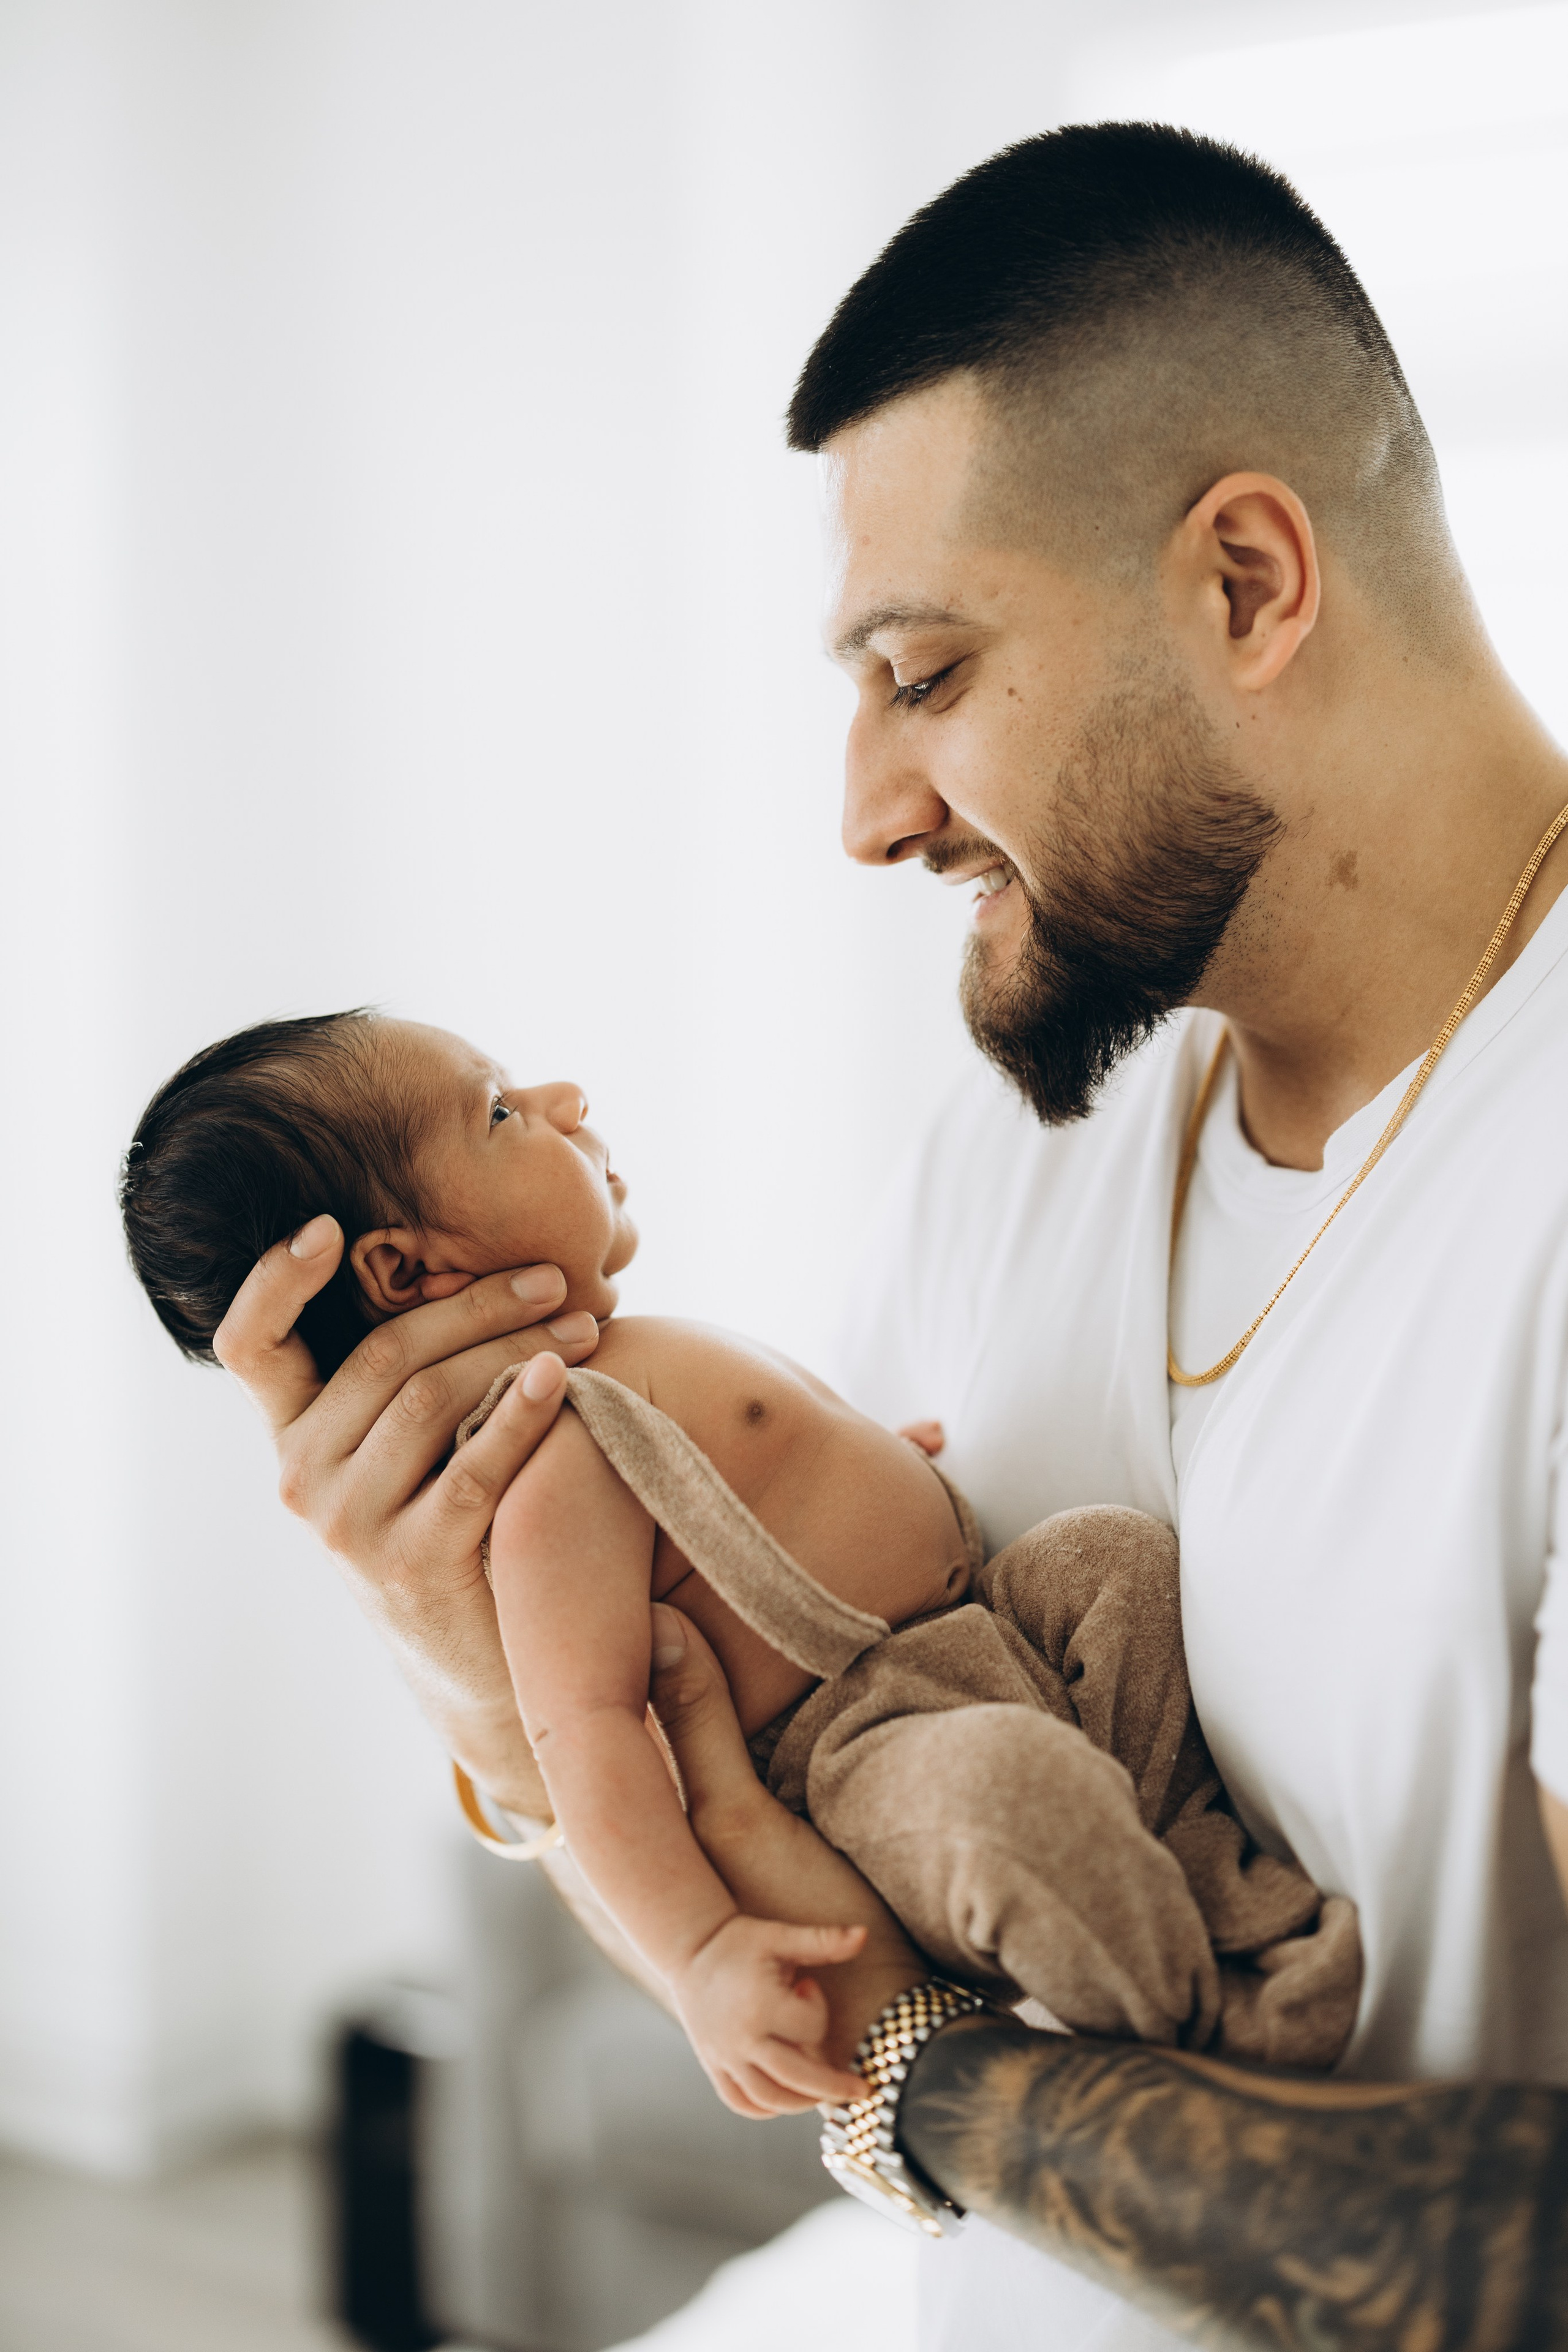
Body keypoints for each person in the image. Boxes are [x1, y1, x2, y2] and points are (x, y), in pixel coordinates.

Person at [211, 124, 1568, 2345]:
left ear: (1247, 581)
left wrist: (926, 2086)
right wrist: (478, 1657)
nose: (862, 812)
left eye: (922, 675)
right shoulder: (1016, 1143)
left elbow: (1525, 2244)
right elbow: (761, 1757)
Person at [121, 1009, 1358, 2118]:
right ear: (406, 1270)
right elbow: (584, 1733)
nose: (561, 1100)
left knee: (1116, 1559)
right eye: (497, 1112)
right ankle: (1203, 2041)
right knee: (1007, 1801)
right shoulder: (553, 1450)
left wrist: (881, 1469)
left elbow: (772, 1484)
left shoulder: (625, 1354)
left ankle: (1192, 1871)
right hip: (867, 1746)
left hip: (981, 1627)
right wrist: (700, 1952)